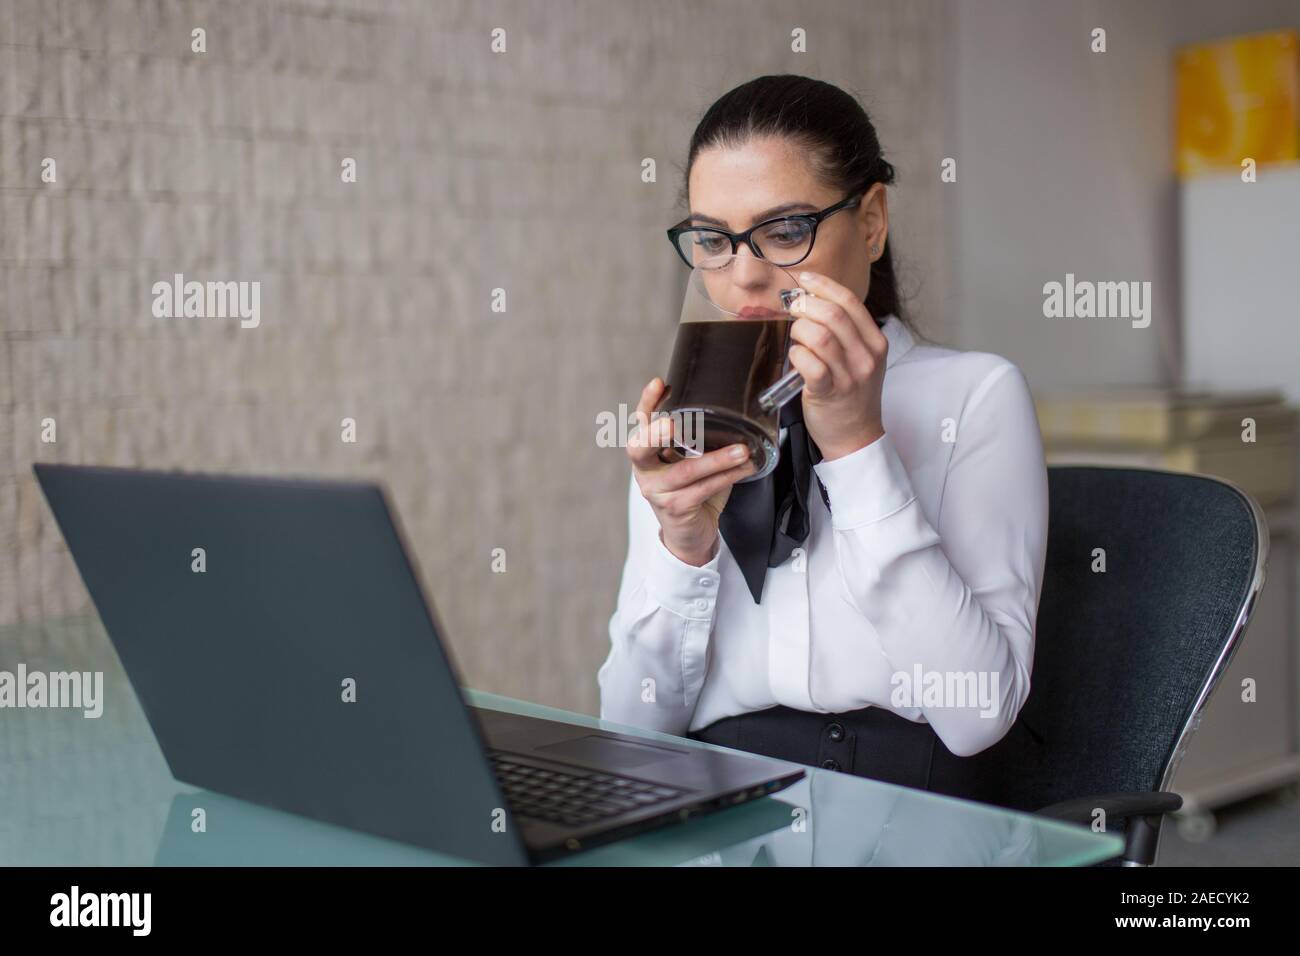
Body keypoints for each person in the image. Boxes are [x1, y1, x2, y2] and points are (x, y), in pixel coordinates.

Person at [597, 74, 1049, 796]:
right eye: (713, 239)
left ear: (870, 221)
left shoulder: (975, 397)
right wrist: (681, 547)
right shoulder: (685, 432)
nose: (743, 277)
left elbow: (977, 716)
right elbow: (631, 732)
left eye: (783, 232)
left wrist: (858, 445)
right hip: (728, 810)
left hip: (915, 813)